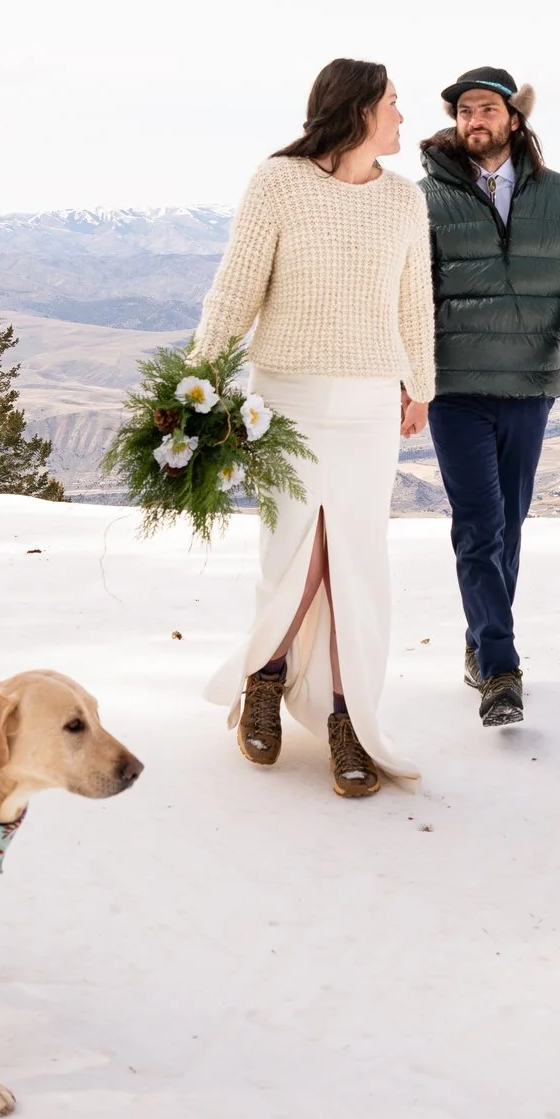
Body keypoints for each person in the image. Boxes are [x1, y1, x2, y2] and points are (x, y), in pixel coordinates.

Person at [193, 59, 436, 799]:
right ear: (359, 110)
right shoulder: (277, 183)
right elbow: (236, 289)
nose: (402, 116)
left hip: (368, 405)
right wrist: (191, 384)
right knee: (291, 551)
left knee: (357, 561)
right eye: (394, 103)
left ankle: (346, 716)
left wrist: (419, 384)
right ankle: (264, 679)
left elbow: (414, 300)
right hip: (286, 398)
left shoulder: (404, 201)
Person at [419, 66, 560, 727]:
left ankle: (479, 645)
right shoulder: (422, 200)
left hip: (529, 387)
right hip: (455, 389)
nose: (474, 119)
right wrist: (406, 379)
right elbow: (404, 296)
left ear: (513, 119)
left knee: (509, 529)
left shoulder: (559, 197)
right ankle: (502, 672)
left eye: (486, 108)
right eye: (463, 110)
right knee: (479, 525)